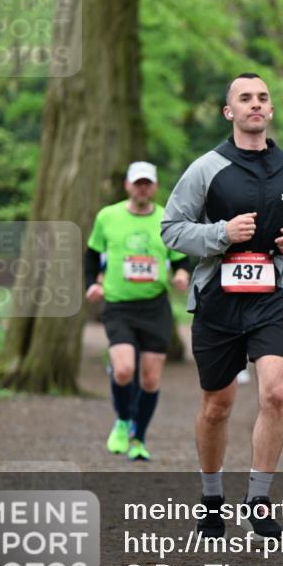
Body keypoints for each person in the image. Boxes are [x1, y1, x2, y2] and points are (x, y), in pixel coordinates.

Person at [161, 72, 283, 541]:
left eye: (262, 98)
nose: (255, 104)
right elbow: (171, 229)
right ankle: (212, 499)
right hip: (218, 301)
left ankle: (258, 501)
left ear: (270, 110)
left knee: (276, 393)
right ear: (229, 112)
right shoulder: (206, 168)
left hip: (272, 298)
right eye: (245, 98)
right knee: (217, 405)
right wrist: (221, 234)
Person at [85, 161, 192, 462]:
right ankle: (122, 420)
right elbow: (92, 254)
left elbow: (180, 258)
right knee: (123, 370)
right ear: (127, 186)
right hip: (118, 305)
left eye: (147, 183)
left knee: (150, 380)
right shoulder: (108, 216)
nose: (142, 188)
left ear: (155, 186)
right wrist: (92, 283)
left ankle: (139, 439)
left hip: (155, 306)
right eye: (137, 183)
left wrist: (181, 274)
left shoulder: (167, 219)